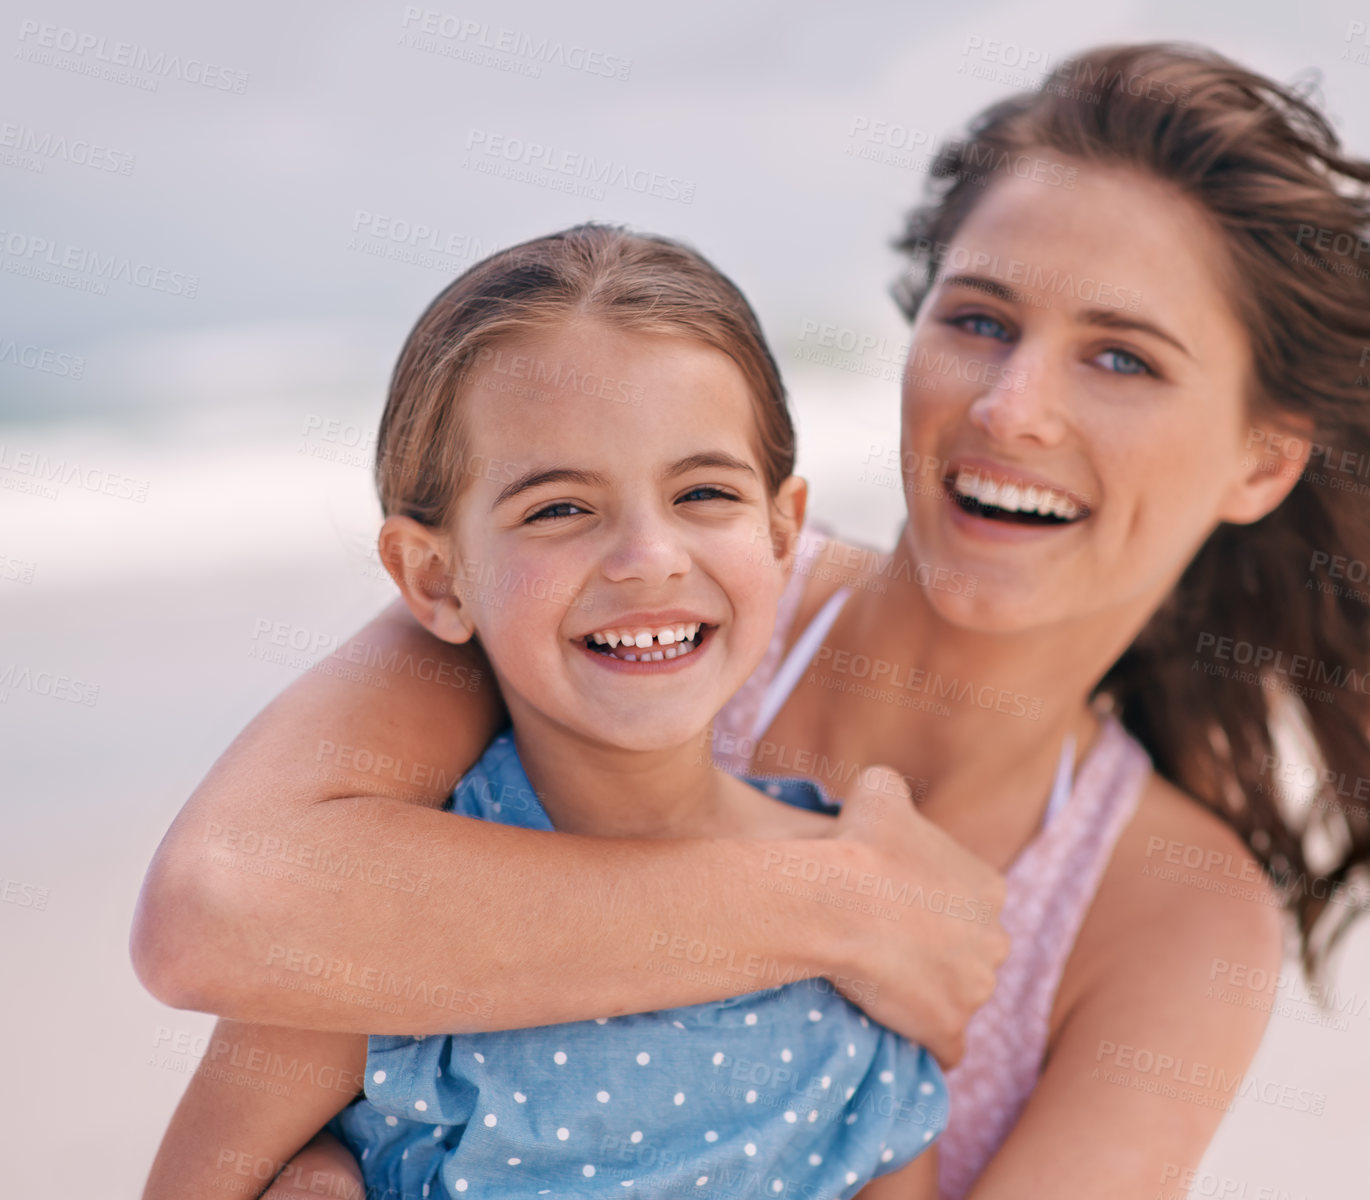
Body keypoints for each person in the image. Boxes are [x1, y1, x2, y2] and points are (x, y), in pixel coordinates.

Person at [133, 43, 1370, 1198]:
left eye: (1121, 355)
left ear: (1259, 460)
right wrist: (835, 902)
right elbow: (212, 916)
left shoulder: (1169, 914)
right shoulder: (615, 613)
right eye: (980, 320)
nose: (1011, 407)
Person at [141, 225, 955, 1200]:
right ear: (435, 578)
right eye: (559, 508)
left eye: (703, 492)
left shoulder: (865, 948)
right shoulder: (362, 937)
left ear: (783, 532)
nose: (649, 556)